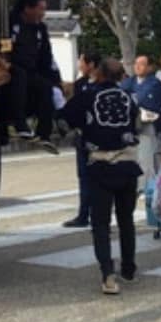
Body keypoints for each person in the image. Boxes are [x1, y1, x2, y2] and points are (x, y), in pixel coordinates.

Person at [59, 58, 141, 295]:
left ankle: (108, 274)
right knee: (126, 220)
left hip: (101, 164)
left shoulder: (88, 95)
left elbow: (65, 117)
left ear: (99, 73)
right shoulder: (129, 98)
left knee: (101, 224)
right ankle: (129, 268)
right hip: (128, 164)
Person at [4, 0, 61, 150]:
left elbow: (46, 56)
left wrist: (55, 80)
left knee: (47, 87)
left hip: (31, 71)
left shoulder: (40, 29)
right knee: (19, 77)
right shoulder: (10, 23)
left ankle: (44, 134)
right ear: (27, 8)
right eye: (40, 9)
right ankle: (19, 123)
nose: (43, 13)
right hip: (10, 68)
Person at [62, 52, 100, 228]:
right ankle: (83, 214)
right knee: (84, 177)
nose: (79, 65)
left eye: (82, 62)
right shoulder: (80, 84)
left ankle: (99, 214)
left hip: (99, 138)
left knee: (99, 177)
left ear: (91, 64)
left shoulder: (102, 84)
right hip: (82, 136)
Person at [127, 55, 161, 194]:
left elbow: (149, 102)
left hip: (148, 123)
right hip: (131, 125)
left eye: (142, 64)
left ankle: (148, 187)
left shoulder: (155, 83)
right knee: (134, 157)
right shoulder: (129, 82)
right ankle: (136, 186)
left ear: (150, 67)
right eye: (136, 63)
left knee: (148, 158)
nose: (138, 66)